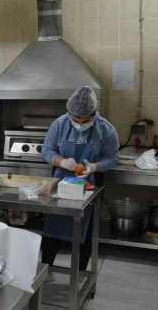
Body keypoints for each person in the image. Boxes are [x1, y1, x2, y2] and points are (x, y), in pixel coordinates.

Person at [41, 86, 119, 272]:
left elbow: (113, 159)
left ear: (93, 114)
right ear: (69, 112)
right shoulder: (59, 125)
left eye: (85, 120)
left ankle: (81, 273)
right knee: (53, 231)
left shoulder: (106, 130)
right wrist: (62, 162)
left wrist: (95, 167)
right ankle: (45, 270)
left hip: (89, 186)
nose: (80, 123)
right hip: (60, 185)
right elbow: (47, 151)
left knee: (85, 234)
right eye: (76, 119)